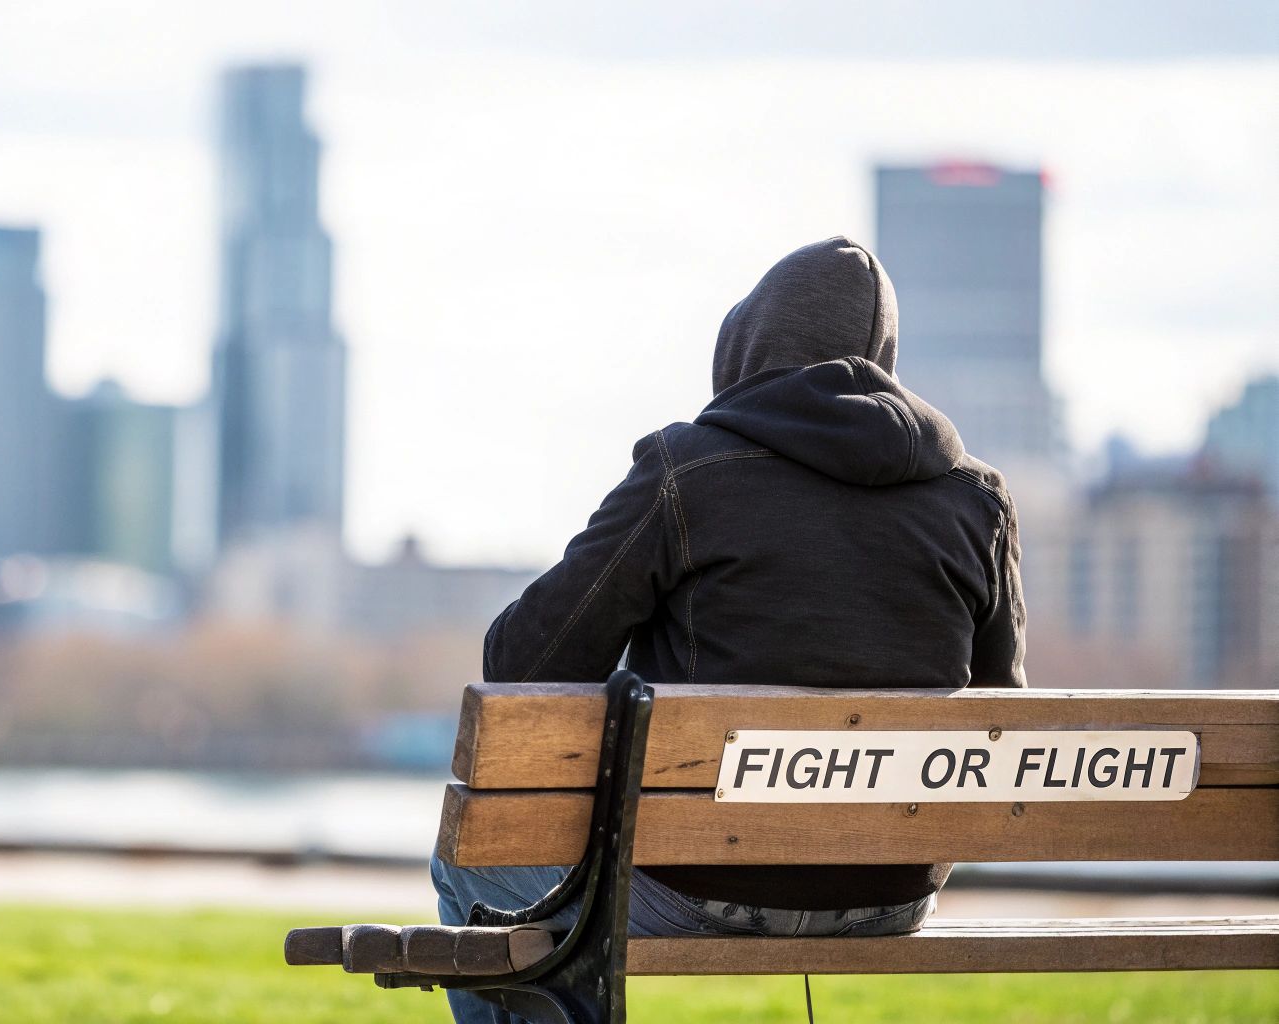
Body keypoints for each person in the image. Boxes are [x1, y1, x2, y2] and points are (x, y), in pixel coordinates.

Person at [432, 236, 1027, 1024]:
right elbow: (1004, 718)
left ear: (745, 345)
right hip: (892, 893)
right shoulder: (975, 501)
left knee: (469, 862)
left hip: (699, 884)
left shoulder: (687, 470)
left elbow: (523, 662)